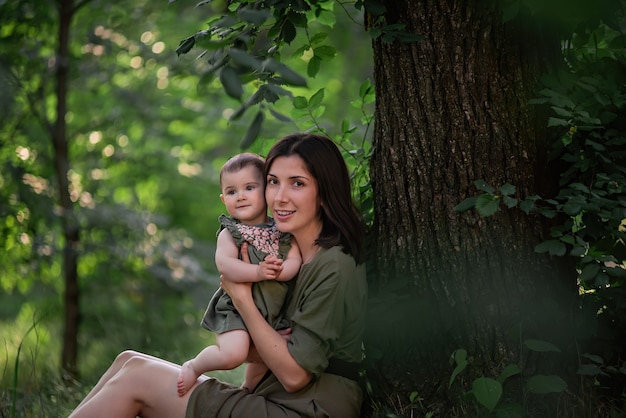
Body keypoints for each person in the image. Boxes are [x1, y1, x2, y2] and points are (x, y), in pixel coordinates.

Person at [68, 133, 367, 418]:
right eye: (273, 182)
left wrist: (242, 299)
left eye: (297, 184)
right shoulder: (282, 253)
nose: (280, 197)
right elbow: (273, 347)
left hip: (307, 408)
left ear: (325, 193)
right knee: (129, 360)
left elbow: (295, 376)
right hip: (272, 396)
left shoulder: (333, 265)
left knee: (137, 378)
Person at [177, 152, 302, 396]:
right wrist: (258, 271)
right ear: (224, 199)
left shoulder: (281, 228)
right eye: (232, 192)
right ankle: (195, 365)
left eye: (249, 187)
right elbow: (225, 266)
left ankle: (248, 391)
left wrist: (281, 271)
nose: (241, 196)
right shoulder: (231, 233)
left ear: (267, 190)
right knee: (233, 354)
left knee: (267, 358)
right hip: (236, 310)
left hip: (271, 311)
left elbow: (295, 258)